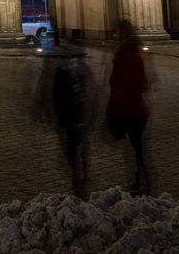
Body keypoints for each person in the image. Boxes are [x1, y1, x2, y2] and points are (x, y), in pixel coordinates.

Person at [35, 49, 95, 198]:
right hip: (75, 119)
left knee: (73, 149)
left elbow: (53, 95)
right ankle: (83, 179)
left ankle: (79, 180)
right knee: (80, 148)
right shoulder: (78, 73)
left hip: (70, 120)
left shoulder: (61, 75)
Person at [106, 19, 153, 196]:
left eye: (117, 32)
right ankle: (141, 181)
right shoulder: (133, 53)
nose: (115, 35)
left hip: (130, 109)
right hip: (136, 108)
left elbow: (124, 84)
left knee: (137, 149)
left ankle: (144, 184)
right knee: (136, 148)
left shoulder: (126, 56)